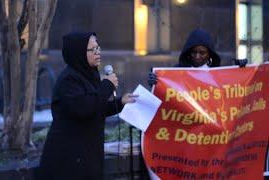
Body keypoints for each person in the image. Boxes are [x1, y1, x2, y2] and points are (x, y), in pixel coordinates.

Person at [38, 32, 137, 179]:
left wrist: (120, 102)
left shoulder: (89, 74)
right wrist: (107, 85)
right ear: (78, 53)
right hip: (68, 158)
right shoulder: (69, 80)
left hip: (87, 154)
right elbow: (84, 108)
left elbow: (96, 107)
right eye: (92, 49)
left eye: (98, 47)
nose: (98, 52)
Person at [148, 29, 221, 86]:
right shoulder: (176, 72)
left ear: (210, 54)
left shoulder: (218, 74)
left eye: (202, 53)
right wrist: (156, 83)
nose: (197, 56)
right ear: (188, 51)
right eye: (194, 52)